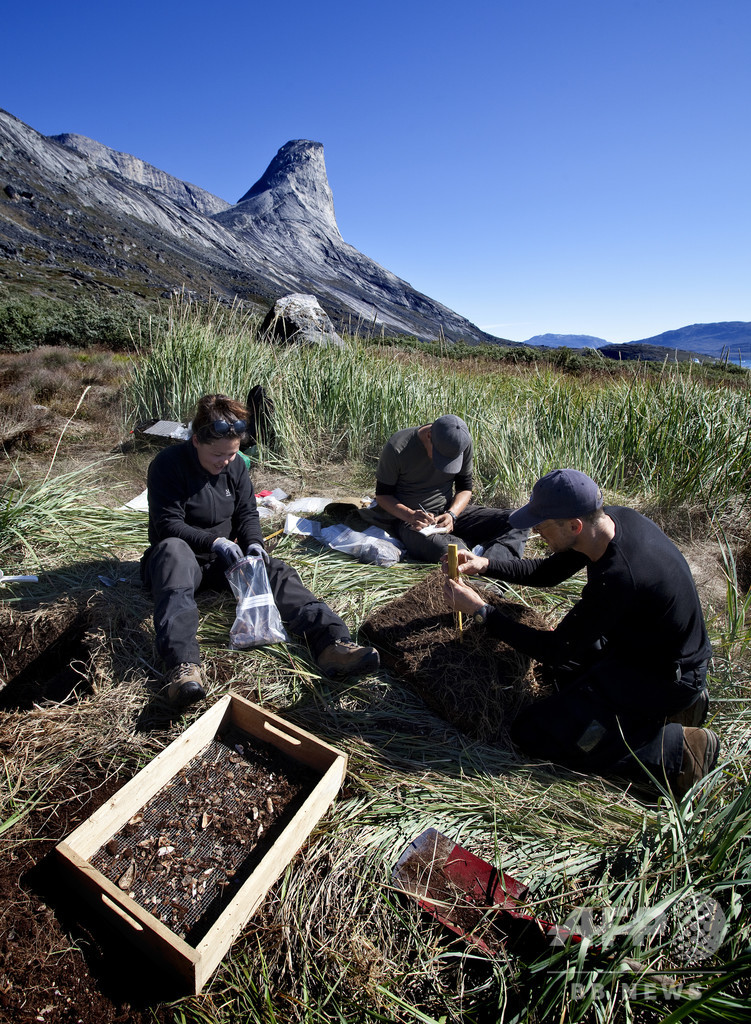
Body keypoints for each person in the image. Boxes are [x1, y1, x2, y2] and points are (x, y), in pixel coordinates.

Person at [441, 468, 719, 799]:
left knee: (535, 733)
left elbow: (555, 649)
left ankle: (678, 749)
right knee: (562, 675)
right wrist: (486, 565)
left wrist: (482, 612)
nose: (537, 534)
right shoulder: (610, 522)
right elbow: (548, 572)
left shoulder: (620, 577)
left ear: (573, 525)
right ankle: (669, 708)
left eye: (541, 527)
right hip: (644, 651)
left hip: (665, 676)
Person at [141, 394, 379, 706]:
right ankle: (183, 668)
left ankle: (333, 644)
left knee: (277, 571)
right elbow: (168, 523)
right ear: (197, 440)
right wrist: (213, 541)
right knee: (173, 550)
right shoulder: (168, 465)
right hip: (177, 562)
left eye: (231, 454)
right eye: (217, 455)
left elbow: (246, 514)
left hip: (224, 560)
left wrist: (253, 543)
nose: (225, 461)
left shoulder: (236, 465)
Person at [359, 414, 528, 565]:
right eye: (441, 457)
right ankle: (483, 560)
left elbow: (465, 488)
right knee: (451, 552)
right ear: (429, 435)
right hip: (410, 522)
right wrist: (410, 515)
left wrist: (452, 514)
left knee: (518, 520)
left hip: (448, 513)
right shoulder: (398, 447)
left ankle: (492, 569)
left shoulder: (462, 443)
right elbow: (382, 495)